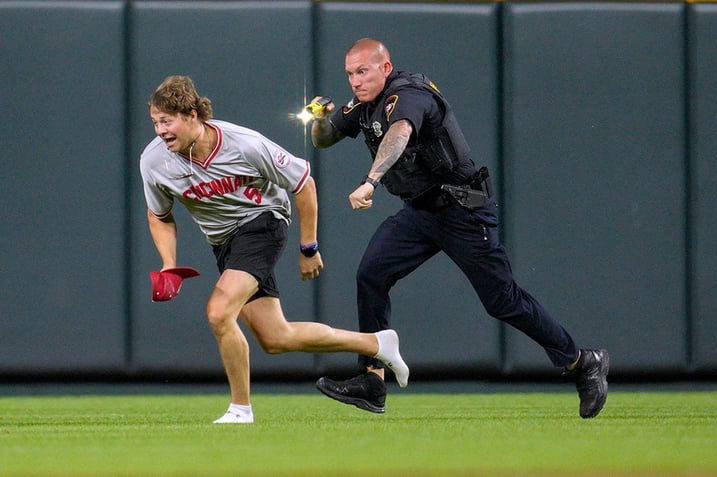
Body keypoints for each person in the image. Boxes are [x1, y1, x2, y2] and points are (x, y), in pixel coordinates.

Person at [309, 38, 609, 418]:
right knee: (371, 274)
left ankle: (582, 362)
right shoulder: (365, 104)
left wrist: (371, 180)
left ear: (385, 68)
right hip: (419, 212)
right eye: (350, 73)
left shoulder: (410, 94)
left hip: (463, 208)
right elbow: (325, 139)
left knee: (502, 301)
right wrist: (319, 118)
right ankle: (372, 378)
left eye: (363, 71)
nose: (355, 81)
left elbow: (399, 132)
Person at [140, 75, 409, 424]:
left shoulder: (244, 144)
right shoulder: (154, 161)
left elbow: (304, 184)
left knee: (219, 312)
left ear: (193, 115)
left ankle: (240, 409)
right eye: (156, 122)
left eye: (167, 120)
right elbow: (159, 215)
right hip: (224, 243)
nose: (160, 130)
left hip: (262, 224)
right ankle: (377, 344)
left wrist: (308, 247)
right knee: (275, 337)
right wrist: (168, 264)